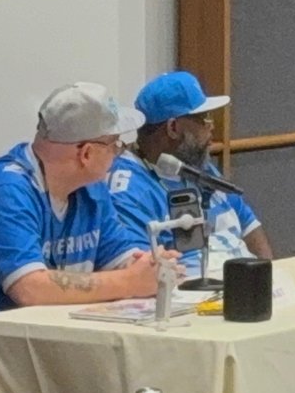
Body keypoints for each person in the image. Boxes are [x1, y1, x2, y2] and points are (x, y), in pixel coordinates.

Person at [0, 84, 176, 393]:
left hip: (39, 335)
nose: (119, 154)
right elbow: (31, 288)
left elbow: (122, 256)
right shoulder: (5, 189)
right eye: (115, 145)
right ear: (86, 153)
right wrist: (131, 282)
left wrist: (150, 265)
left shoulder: (91, 189)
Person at [109, 72, 272, 274]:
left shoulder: (197, 165)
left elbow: (249, 227)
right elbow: (141, 273)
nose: (211, 127)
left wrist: (268, 275)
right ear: (173, 128)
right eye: (204, 119)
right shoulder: (129, 190)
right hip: (190, 289)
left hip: (245, 282)